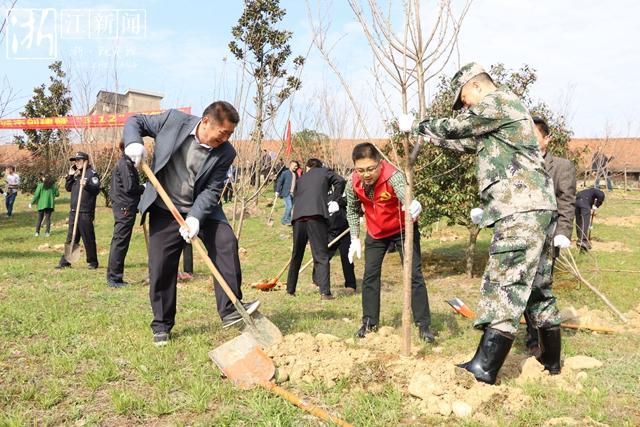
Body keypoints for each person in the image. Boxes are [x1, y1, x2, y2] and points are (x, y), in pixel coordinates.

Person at [416, 62, 560, 384]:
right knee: (537, 288)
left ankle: (484, 367)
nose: (464, 105)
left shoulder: (496, 101)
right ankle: (551, 362)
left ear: (476, 86)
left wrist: (421, 126)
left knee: (504, 284)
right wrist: (431, 139)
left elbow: (457, 127)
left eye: (464, 98)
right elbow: (465, 142)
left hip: (520, 210)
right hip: (536, 207)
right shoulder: (502, 117)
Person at [123, 101, 259, 346]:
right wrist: (134, 142)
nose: (226, 139)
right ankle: (162, 325)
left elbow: (212, 188)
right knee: (161, 265)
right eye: (223, 133)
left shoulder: (226, 152)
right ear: (206, 121)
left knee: (226, 241)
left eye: (230, 134)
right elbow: (136, 120)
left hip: (201, 209)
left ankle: (230, 309)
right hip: (165, 208)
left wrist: (195, 217)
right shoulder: (173, 121)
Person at [345, 143, 434, 342]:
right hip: (376, 232)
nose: (366, 174)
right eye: (360, 170)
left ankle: (424, 325)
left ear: (379, 163)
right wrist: (354, 238)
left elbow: (405, 195)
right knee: (370, 276)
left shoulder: (393, 176)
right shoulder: (352, 182)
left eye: (370, 169)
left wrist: (412, 204)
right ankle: (369, 322)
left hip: (402, 229)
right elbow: (351, 210)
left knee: (413, 275)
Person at [523, 117, 577, 354]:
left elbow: (567, 201)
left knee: (541, 288)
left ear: (547, 139)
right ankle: (532, 338)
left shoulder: (562, 166)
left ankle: (545, 339)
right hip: (522, 236)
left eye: (534, 136)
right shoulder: (520, 164)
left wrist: (564, 231)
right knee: (523, 287)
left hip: (548, 238)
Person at [285, 158, 345, 299]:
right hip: (316, 216)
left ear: (308, 167)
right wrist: (334, 199)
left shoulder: (301, 178)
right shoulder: (325, 172)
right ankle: (325, 293)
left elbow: (297, 195)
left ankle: (290, 289)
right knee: (321, 255)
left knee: (296, 255)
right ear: (320, 165)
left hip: (298, 217)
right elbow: (341, 181)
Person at [106, 140, 146, 288]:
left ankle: (114, 276)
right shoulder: (125, 164)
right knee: (120, 242)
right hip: (124, 208)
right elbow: (130, 187)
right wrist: (144, 187)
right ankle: (114, 278)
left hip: (123, 206)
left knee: (119, 241)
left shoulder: (125, 163)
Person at [56, 152, 101, 270]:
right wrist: (70, 176)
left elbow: (96, 190)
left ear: (86, 161)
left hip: (85, 212)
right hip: (74, 211)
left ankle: (92, 262)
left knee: (88, 238)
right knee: (71, 238)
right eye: (75, 161)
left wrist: (86, 185)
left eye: (79, 160)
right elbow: (68, 188)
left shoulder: (92, 174)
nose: (76, 163)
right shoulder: (77, 174)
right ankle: (66, 261)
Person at [312, 192, 356, 293]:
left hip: (344, 231)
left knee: (347, 258)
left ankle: (350, 285)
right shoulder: (321, 194)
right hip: (330, 232)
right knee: (323, 256)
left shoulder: (342, 192)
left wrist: (339, 202)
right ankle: (316, 281)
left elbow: (352, 202)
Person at [575, 187, 605, 253]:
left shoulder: (586, 192)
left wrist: (594, 206)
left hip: (576, 202)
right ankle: (583, 240)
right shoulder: (595, 190)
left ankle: (580, 239)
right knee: (585, 222)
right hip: (584, 202)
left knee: (579, 221)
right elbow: (601, 195)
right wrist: (597, 205)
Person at [275, 160, 299, 225]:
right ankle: (284, 220)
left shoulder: (295, 174)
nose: (296, 167)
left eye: (296, 166)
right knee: (289, 206)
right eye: (295, 166)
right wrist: (277, 191)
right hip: (286, 193)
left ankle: (288, 220)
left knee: (290, 207)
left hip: (293, 193)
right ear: (291, 165)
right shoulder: (285, 173)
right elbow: (280, 181)